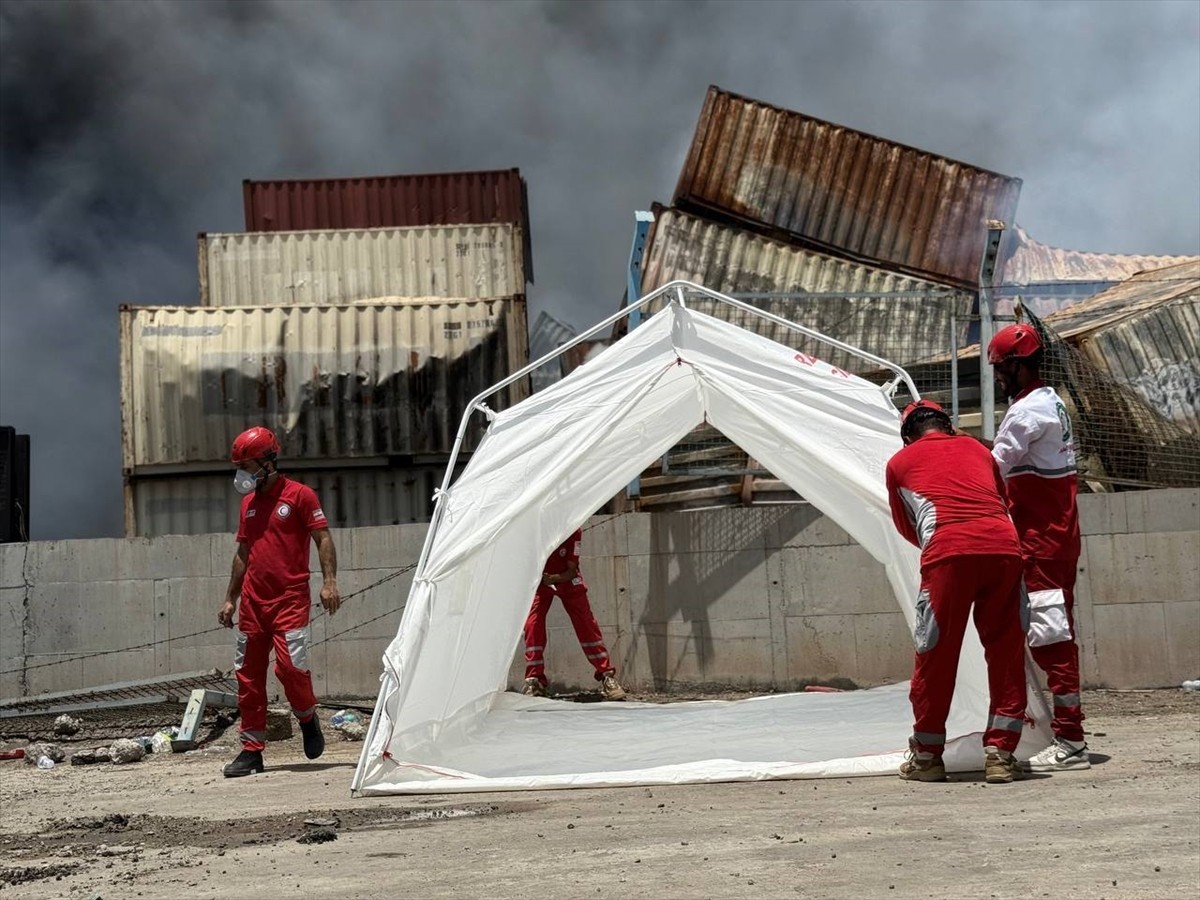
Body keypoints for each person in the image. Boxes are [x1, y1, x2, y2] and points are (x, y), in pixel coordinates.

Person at [886, 400, 1027, 784]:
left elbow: (906, 526)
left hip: (947, 556)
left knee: (936, 655)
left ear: (907, 436)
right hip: (1004, 548)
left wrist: (945, 544)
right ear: (948, 426)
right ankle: (1000, 754)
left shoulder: (899, 463)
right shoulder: (978, 450)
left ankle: (927, 758)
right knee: (1007, 653)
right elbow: (1004, 500)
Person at [985, 323, 1089, 772]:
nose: (997, 378)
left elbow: (993, 468)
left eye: (1000, 369)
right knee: (1056, 633)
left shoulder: (1026, 414)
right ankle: (1068, 734)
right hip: (1058, 539)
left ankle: (1072, 741)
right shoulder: (1051, 403)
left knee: (1051, 639)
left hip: (1041, 543)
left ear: (1017, 366)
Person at [218, 426, 341, 777]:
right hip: (253, 605)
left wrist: (329, 582)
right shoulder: (248, 504)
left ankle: (306, 716)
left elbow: (322, 538)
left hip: (289, 600)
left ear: (268, 462)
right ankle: (251, 751)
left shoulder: (300, 496)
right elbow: (243, 553)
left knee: (290, 670)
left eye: (246, 466)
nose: (242, 474)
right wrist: (230, 599)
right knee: (248, 677)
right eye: (239, 467)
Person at [523, 529, 626, 701]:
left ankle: (606, 675)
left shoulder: (573, 530)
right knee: (532, 624)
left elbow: (571, 571)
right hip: (541, 581)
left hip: (566, 579)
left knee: (586, 623)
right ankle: (535, 681)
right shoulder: (537, 526)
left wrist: (554, 578)